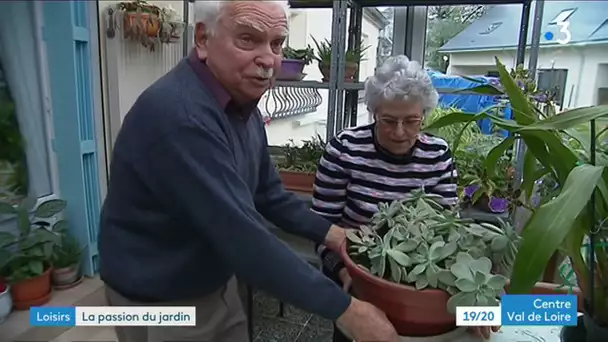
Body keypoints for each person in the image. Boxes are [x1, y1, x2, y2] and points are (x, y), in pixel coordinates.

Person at [98, 1, 399, 342]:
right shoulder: (179, 116)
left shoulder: (239, 104)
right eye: (247, 39)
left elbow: (268, 194)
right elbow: (244, 237)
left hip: (213, 278)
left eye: (276, 43)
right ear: (202, 39)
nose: (268, 59)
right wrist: (347, 310)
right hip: (161, 297)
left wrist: (336, 234)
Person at [312, 55, 500, 341]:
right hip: (360, 278)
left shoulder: (437, 155)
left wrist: (472, 303)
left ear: (424, 114)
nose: (400, 132)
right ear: (374, 112)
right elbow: (320, 227)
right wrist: (344, 272)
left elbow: (449, 232)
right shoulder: (344, 149)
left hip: (422, 281)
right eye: (388, 120)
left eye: (412, 120)